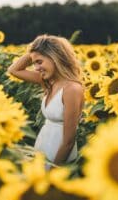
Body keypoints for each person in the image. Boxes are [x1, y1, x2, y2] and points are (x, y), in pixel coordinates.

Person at [7, 34, 84, 166]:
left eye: (39, 62)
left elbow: (69, 141)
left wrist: (55, 169)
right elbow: (13, 70)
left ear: (55, 58)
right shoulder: (48, 81)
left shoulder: (72, 89)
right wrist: (34, 50)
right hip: (43, 144)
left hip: (59, 152)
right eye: (34, 63)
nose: (36, 68)